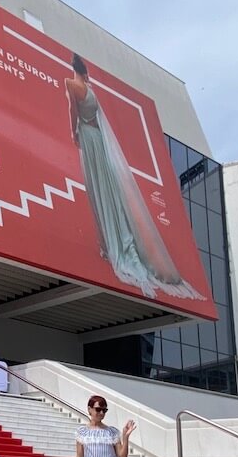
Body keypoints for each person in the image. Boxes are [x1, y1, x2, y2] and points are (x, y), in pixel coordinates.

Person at [65, 53, 203, 302]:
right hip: (98, 139)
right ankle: (114, 240)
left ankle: (111, 245)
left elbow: (73, 111)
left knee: (98, 189)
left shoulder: (71, 85)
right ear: (85, 71)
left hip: (87, 137)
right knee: (108, 190)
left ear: (73, 69)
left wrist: (73, 132)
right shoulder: (91, 90)